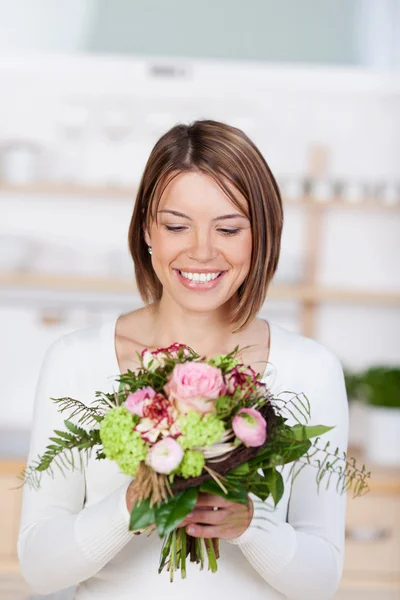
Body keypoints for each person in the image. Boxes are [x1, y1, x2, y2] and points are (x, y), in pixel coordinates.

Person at [18, 120, 349, 600]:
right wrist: (130, 506)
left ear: (262, 236)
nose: (200, 250)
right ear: (148, 230)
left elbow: (321, 581)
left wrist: (251, 526)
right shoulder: (76, 360)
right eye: (176, 225)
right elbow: (40, 569)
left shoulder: (311, 370)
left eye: (229, 228)